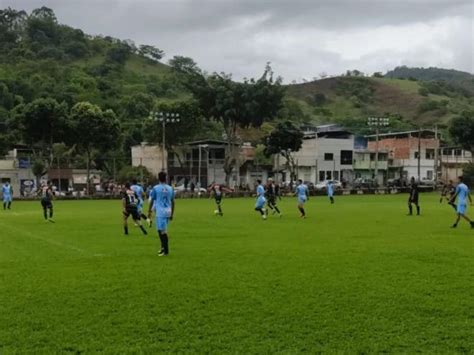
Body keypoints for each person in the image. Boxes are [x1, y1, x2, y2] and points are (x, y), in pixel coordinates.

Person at [148, 172, 175, 256]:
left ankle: (166, 251)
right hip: (168, 211)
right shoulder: (170, 188)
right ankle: (162, 248)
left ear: (158, 178)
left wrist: (149, 211)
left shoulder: (156, 188)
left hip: (160, 212)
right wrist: (172, 213)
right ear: (165, 178)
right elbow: (173, 201)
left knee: (162, 231)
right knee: (161, 230)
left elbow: (152, 200)